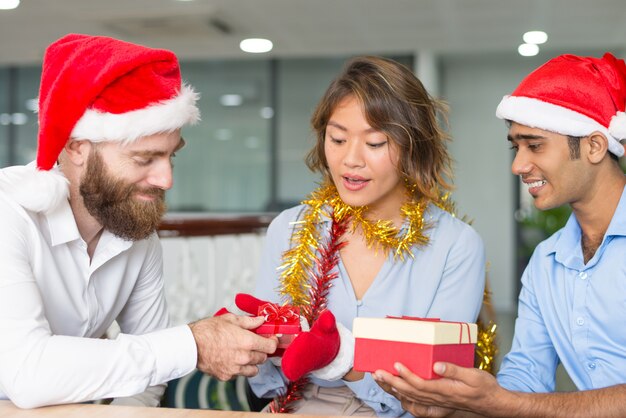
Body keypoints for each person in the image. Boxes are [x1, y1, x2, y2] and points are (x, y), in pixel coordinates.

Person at [0, 33, 276, 409]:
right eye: (145, 159)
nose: (166, 180)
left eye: (170, 157)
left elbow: (147, 380)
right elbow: (26, 372)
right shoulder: (8, 212)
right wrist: (192, 344)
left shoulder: (135, 231)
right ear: (76, 147)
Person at [374, 52, 626, 417]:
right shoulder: (547, 262)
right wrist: (456, 401)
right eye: (516, 146)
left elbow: (518, 402)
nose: (519, 165)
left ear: (594, 145)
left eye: (535, 145)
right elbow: (525, 379)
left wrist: (507, 402)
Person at [243, 56, 486, 416]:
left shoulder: (457, 246)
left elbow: (434, 393)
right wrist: (250, 341)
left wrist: (341, 360)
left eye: (375, 144)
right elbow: (266, 379)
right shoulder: (291, 229)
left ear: (413, 147)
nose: (350, 160)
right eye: (337, 139)